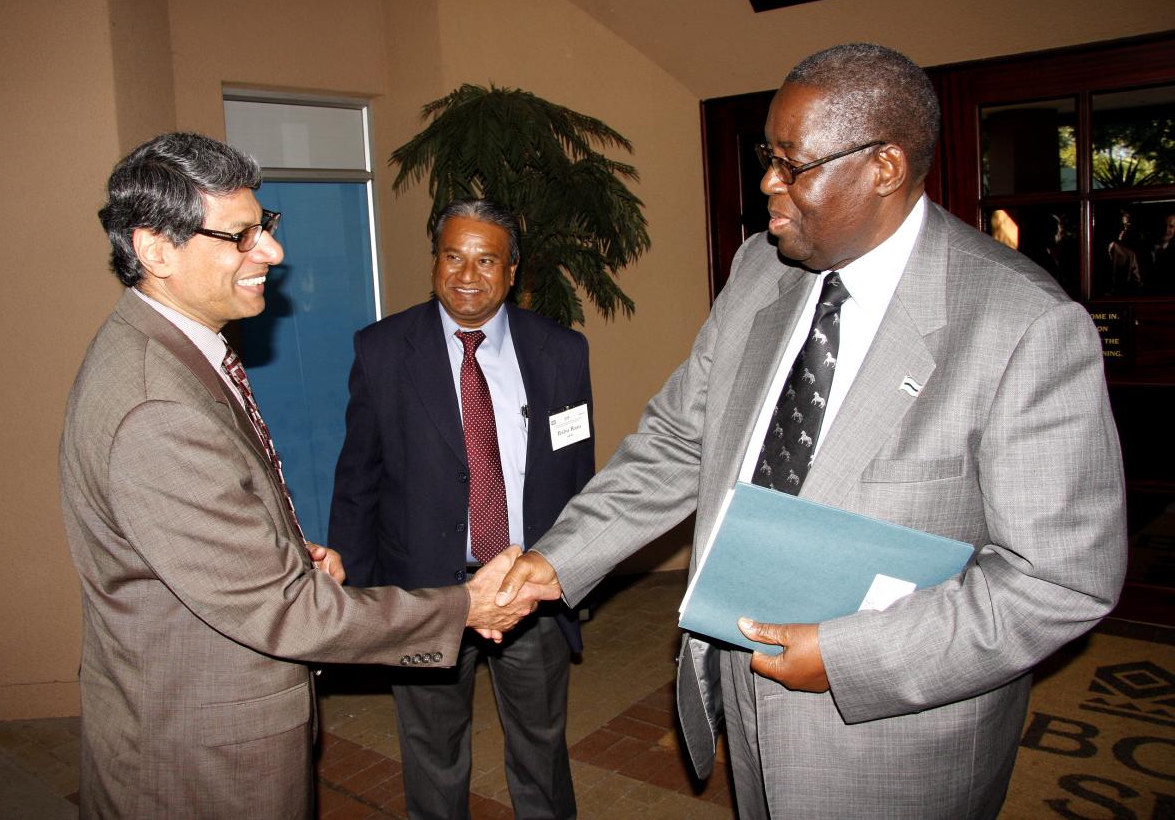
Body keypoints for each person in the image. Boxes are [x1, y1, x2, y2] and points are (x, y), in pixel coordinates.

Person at [498, 43, 1126, 819]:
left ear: (885, 167)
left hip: (896, 742)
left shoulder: (1023, 325)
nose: (768, 182)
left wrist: (844, 657)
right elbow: (679, 440)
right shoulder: (760, 268)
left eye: (793, 165)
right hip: (743, 692)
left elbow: (1060, 579)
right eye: (769, 156)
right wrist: (558, 559)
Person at [60, 133, 536, 819]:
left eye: (267, 227)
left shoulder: (167, 351)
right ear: (155, 248)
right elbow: (286, 613)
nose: (273, 252)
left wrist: (278, 552)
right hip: (198, 754)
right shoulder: (155, 404)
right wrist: (465, 606)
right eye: (241, 235)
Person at [328, 199, 593, 819]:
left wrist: (575, 573)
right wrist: (362, 603)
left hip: (531, 588)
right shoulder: (383, 349)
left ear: (511, 271)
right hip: (426, 595)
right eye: (453, 256)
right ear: (434, 262)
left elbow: (576, 470)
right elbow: (357, 481)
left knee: (541, 746)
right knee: (432, 752)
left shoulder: (561, 351)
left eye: (485, 260)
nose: (467, 275)